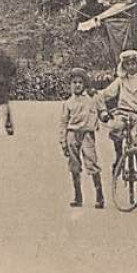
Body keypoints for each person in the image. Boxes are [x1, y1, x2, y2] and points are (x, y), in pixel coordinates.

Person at [97, 49, 137, 169]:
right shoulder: (121, 81)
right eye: (127, 64)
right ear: (123, 66)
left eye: (133, 63)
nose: (130, 67)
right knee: (116, 128)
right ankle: (119, 156)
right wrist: (96, 95)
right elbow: (107, 93)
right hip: (123, 113)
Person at [59, 67, 106, 209]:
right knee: (74, 166)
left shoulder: (92, 99)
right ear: (70, 85)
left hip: (87, 134)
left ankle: (99, 196)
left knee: (91, 163)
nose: (77, 85)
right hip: (72, 134)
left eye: (80, 82)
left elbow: (101, 109)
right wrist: (63, 142)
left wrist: (103, 115)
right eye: (74, 82)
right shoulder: (68, 103)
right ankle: (78, 196)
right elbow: (63, 123)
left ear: (84, 84)